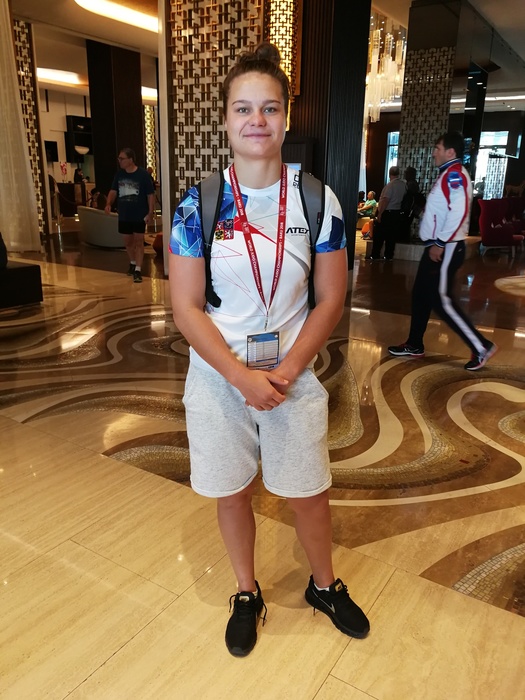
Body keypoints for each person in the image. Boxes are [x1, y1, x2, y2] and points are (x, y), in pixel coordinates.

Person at [169, 41, 369, 658]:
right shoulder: (197, 205)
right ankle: (246, 591)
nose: (257, 120)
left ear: (286, 116)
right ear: (226, 120)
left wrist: (284, 371)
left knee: (309, 489)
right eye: (243, 108)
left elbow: (330, 298)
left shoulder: (318, 200)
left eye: (270, 107)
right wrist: (239, 376)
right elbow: (186, 308)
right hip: (218, 378)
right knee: (232, 490)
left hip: (292, 375)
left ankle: (323, 584)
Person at [388, 131, 497, 371]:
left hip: (446, 247)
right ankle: (414, 344)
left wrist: (440, 242)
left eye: (437, 148)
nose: (433, 152)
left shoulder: (455, 175)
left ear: (451, 152)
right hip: (436, 247)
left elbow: (458, 212)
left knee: (442, 301)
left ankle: (481, 346)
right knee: (420, 295)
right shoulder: (447, 174)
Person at [105, 148, 155, 283]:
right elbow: (113, 191)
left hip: (139, 214)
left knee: (139, 241)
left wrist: (150, 212)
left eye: (122, 158)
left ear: (130, 160)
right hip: (124, 214)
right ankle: (132, 262)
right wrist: (109, 203)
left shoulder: (143, 175)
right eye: (119, 158)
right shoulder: (119, 175)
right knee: (128, 241)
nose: (119, 161)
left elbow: (150, 195)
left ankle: (138, 269)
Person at [367, 165, 405, 260]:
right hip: (397, 212)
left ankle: (375, 255)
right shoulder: (403, 185)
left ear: (389, 174)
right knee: (391, 236)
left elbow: (386, 200)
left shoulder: (390, 186)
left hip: (387, 212)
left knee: (379, 234)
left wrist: (380, 213)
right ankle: (389, 256)